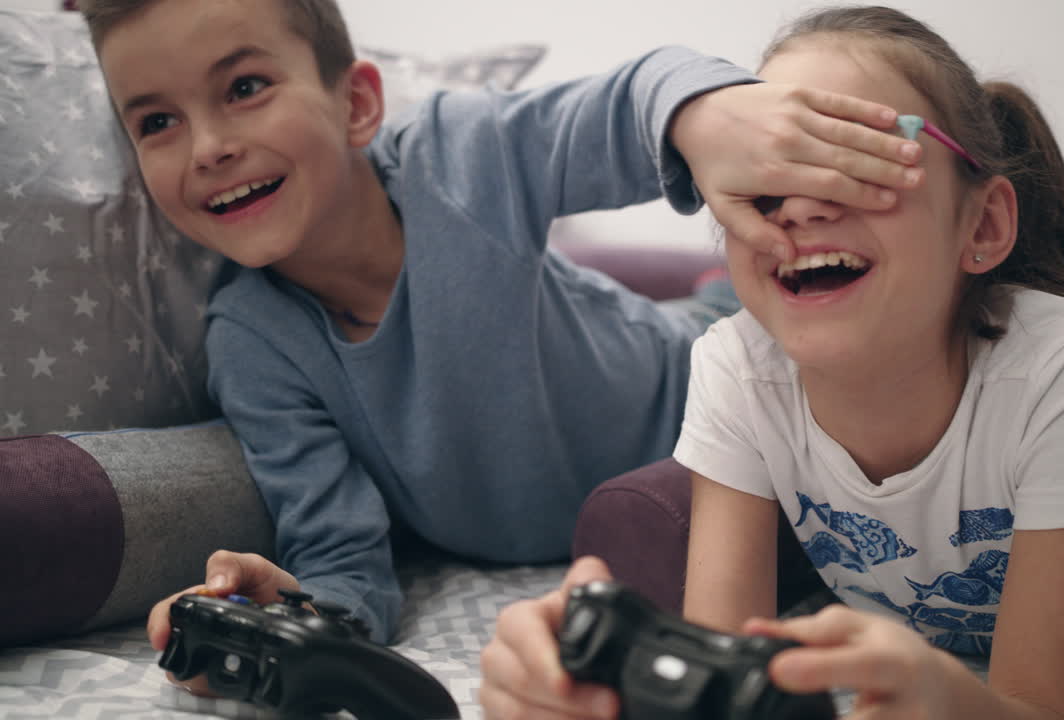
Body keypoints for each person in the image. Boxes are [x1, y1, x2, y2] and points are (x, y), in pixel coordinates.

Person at [479, 6, 1064, 719]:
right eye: (763, 175)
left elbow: (1038, 706)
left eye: (860, 157)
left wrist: (952, 701)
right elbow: (719, 663)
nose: (800, 201)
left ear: (983, 225)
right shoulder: (735, 364)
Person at [79, 0, 929, 660]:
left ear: (358, 105)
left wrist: (705, 117)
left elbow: (626, 105)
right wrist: (285, 618)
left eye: (244, 88)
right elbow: (341, 559)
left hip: (682, 374)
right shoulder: (250, 342)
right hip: (616, 505)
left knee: (767, 325)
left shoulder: (458, 158)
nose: (209, 147)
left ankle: (716, 291)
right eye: (157, 121)